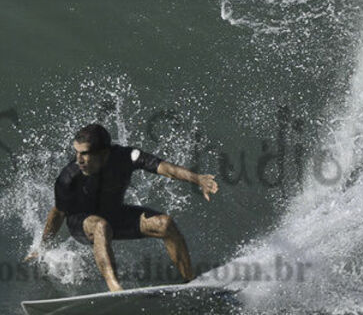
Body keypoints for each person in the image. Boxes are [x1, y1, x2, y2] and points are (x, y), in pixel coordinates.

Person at [25, 123, 218, 291]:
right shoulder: (69, 177)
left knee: (165, 224)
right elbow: (58, 213)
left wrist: (197, 179)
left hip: (115, 215)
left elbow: (165, 168)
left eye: (84, 154)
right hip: (81, 223)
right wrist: (43, 247)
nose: (79, 160)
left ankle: (190, 282)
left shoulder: (126, 157)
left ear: (104, 153)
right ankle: (115, 289)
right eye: (76, 152)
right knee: (100, 226)